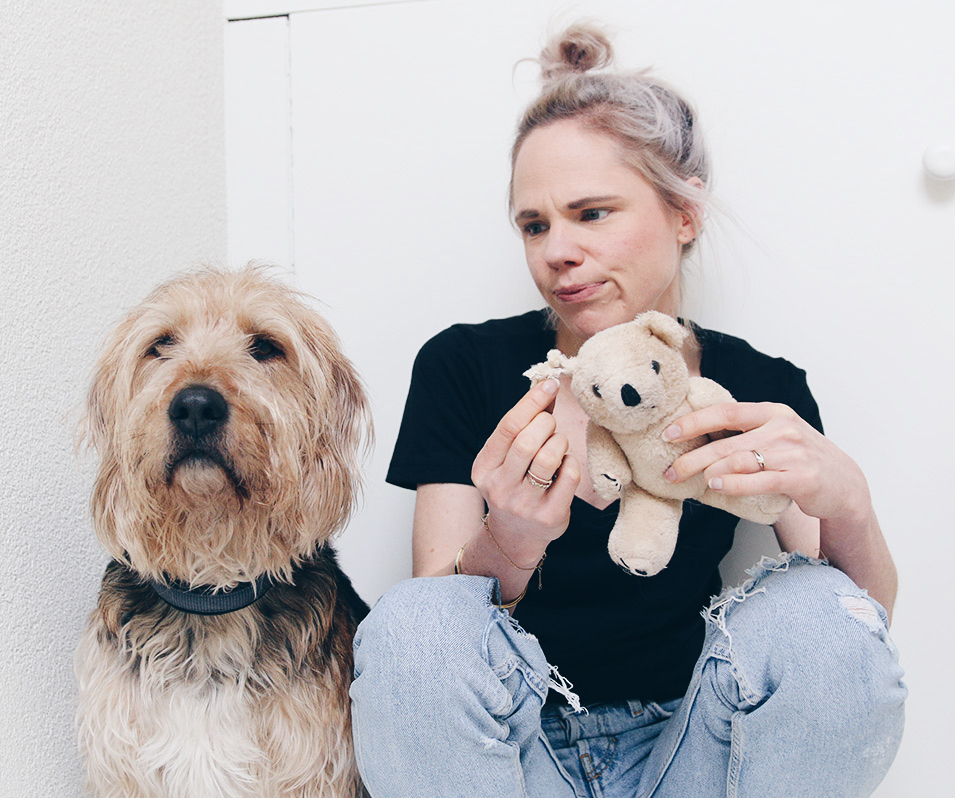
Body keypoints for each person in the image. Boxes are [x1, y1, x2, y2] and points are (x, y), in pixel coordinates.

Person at [349, 23, 906, 798]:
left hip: (693, 750)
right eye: (534, 225)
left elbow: (852, 637)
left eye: (593, 213)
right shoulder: (465, 364)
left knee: (816, 611)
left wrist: (850, 504)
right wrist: (510, 541)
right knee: (417, 621)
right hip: (513, 755)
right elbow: (438, 650)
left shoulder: (755, 386)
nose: (556, 251)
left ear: (684, 213)